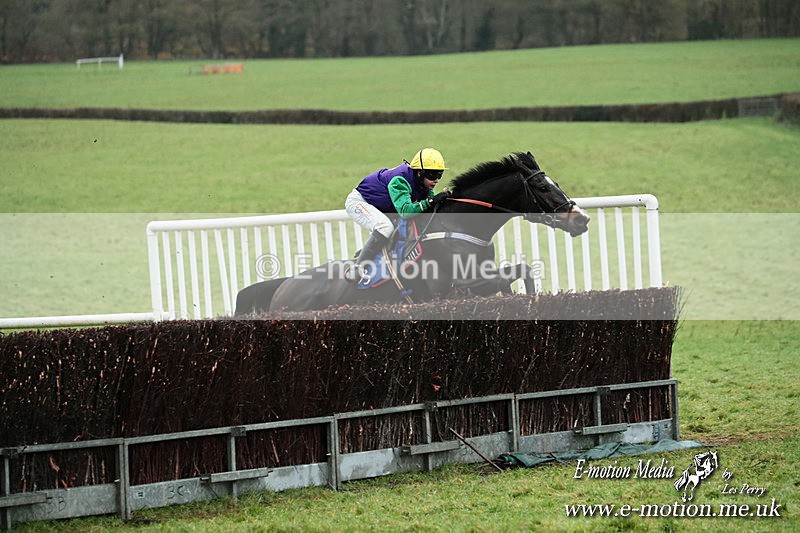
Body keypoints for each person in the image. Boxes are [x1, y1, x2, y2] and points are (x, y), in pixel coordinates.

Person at [344, 148, 451, 282]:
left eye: (439, 175)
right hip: (359, 202)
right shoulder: (400, 180)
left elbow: (427, 207)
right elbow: (406, 212)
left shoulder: (425, 184)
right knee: (384, 227)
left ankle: (373, 252)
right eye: (431, 175)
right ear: (419, 173)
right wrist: (431, 201)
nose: (436, 180)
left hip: (383, 206)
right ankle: (358, 267)